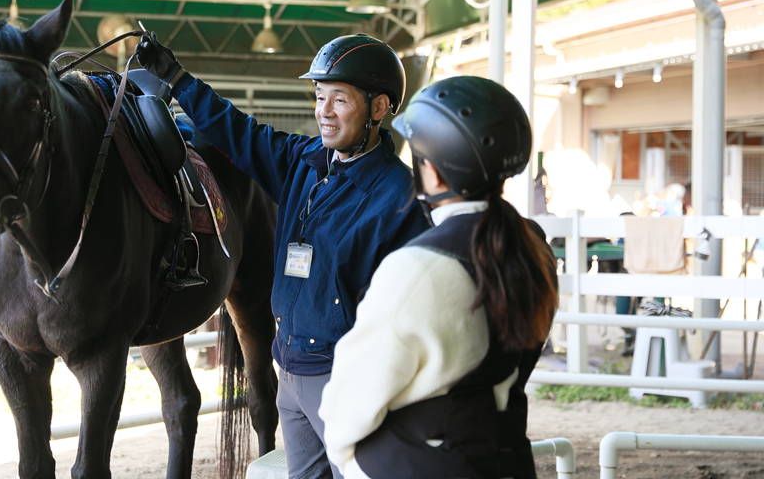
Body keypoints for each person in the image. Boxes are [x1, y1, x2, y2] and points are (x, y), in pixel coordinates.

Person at [136, 32, 429, 479]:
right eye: (319, 96)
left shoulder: (399, 197)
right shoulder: (304, 160)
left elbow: (412, 308)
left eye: (340, 100)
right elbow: (236, 132)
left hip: (345, 380)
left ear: (380, 108)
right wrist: (175, 78)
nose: (324, 112)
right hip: (290, 373)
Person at [319, 76, 559, 479]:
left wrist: (352, 462)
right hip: (507, 460)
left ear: (432, 171)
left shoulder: (417, 268)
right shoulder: (533, 248)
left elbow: (347, 408)